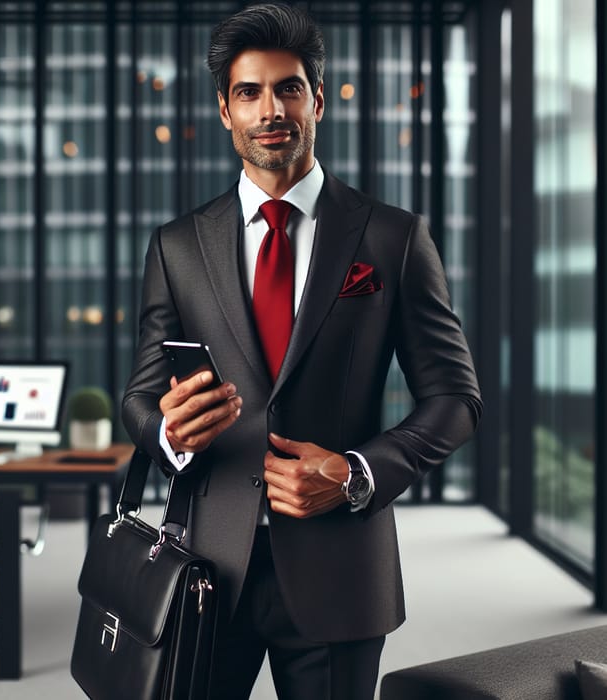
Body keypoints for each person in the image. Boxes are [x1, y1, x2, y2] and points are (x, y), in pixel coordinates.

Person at [122, 3, 482, 698]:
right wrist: (167, 432)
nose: (270, 109)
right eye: (248, 92)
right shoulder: (177, 246)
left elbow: (457, 400)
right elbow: (140, 395)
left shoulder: (392, 239)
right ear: (225, 112)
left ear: (317, 98)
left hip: (341, 568)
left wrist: (354, 472)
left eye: (287, 88)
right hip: (203, 569)